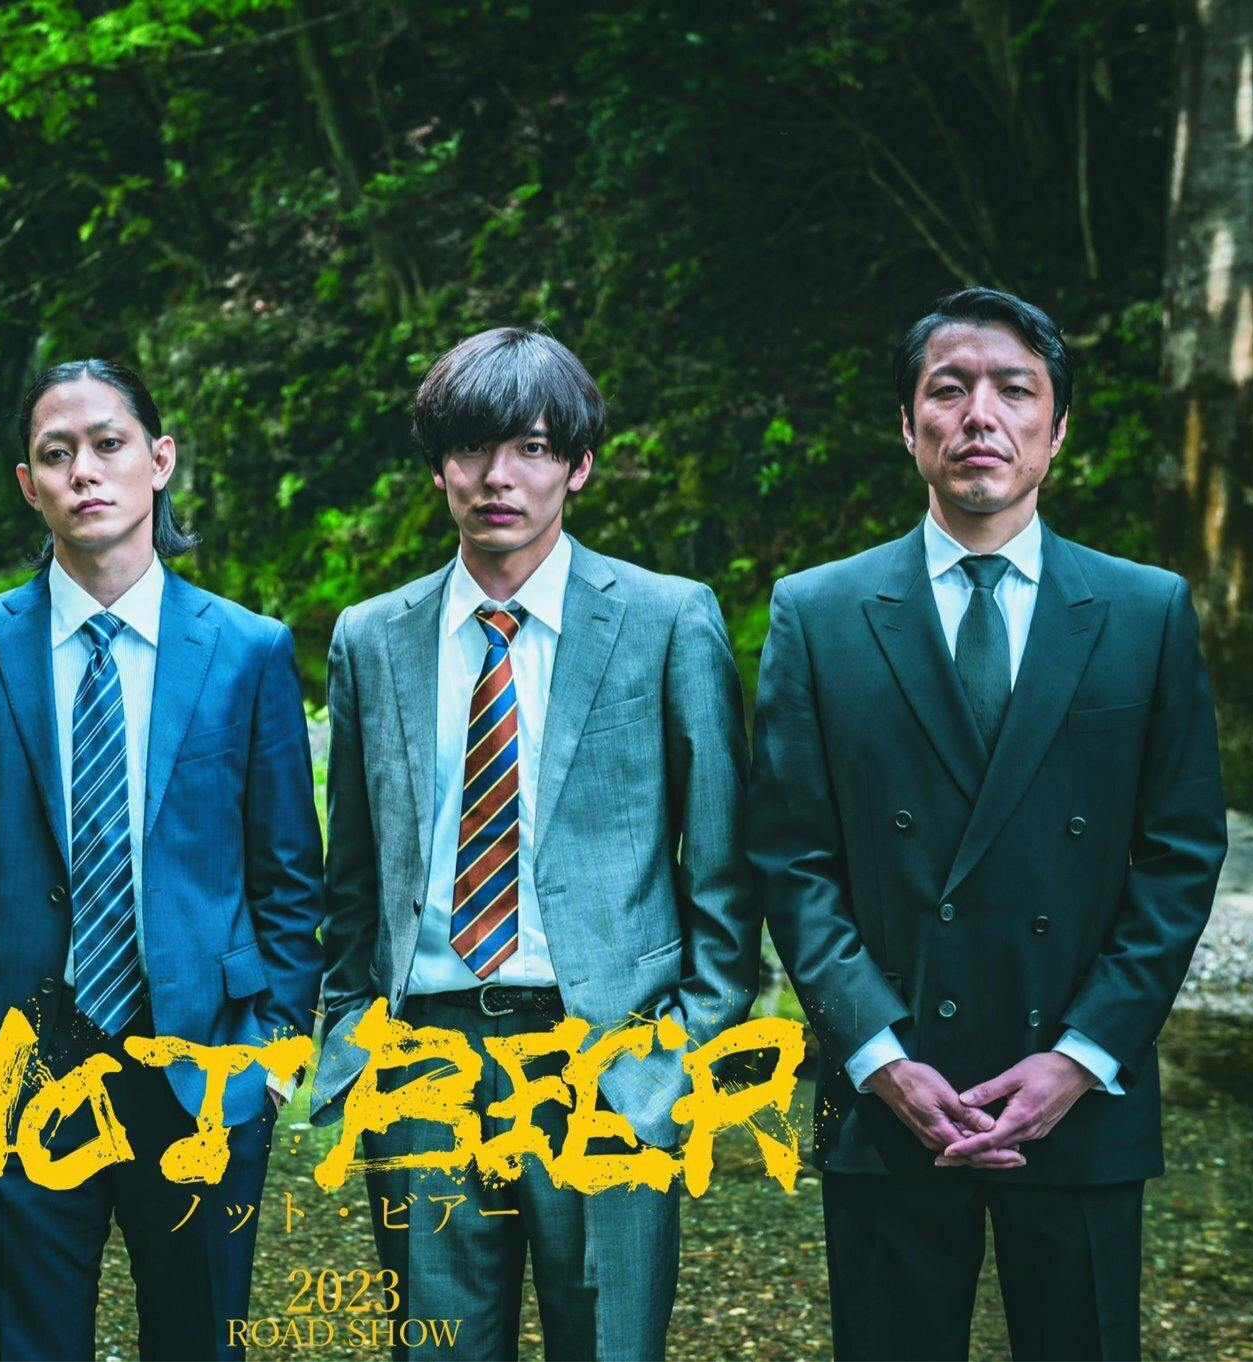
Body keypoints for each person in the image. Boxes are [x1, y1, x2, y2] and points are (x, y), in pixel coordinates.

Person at [749, 287, 1229, 1360]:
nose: (980, 415)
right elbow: (791, 858)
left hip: (1080, 1099)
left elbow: (1180, 854)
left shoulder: (1143, 610)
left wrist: (1082, 1054)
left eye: (1014, 391)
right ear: (906, 424)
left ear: (1055, 431)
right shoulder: (818, 614)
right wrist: (876, 1054)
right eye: (948, 389)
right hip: (889, 1098)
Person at [312, 327, 757, 1360]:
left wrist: (675, 1058)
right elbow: (352, 879)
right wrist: (351, 1030)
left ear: (579, 466)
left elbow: (725, 873)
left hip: (607, 1060)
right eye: (470, 448)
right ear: (438, 466)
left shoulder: (667, 621)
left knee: (607, 1344)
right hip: (421, 1059)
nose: (497, 477)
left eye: (532, 448)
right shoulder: (371, 638)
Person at [0, 359, 323, 1361]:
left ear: (158, 460)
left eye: (108, 444)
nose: (84, 470)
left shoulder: (248, 649)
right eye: (57, 453)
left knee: (198, 1341)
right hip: (15, 1068)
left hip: (205, 1067)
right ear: (27, 483)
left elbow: (288, 877)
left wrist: (274, 1057)